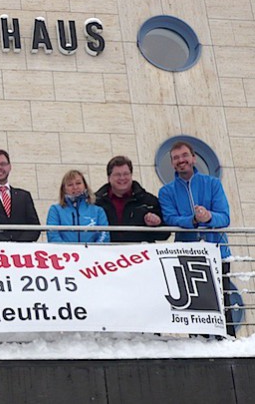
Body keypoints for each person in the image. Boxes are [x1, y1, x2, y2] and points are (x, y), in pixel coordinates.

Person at [158, 140, 234, 337]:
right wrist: (192, 220)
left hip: (217, 253)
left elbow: (224, 217)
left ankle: (230, 343)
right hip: (187, 256)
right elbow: (170, 219)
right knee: (195, 310)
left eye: (184, 156)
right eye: (176, 158)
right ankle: (199, 346)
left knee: (223, 304)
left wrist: (208, 217)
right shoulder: (166, 192)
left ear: (193, 158)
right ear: (172, 163)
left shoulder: (213, 184)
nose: (181, 160)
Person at [95, 156, 170, 243]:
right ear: (109, 178)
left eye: (126, 174)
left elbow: (165, 235)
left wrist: (157, 224)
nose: (122, 178)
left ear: (131, 175)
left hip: (141, 254)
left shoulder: (148, 201)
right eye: (117, 175)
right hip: (107, 254)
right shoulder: (96, 202)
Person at [46, 169, 109, 243]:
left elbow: (104, 235)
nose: (75, 187)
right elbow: (53, 235)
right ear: (64, 189)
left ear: (85, 185)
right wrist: (68, 251)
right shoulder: (55, 210)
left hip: (92, 253)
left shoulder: (98, 211)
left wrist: (92, 250)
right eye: (70, 185)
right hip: (64, 253)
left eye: (78, 183)